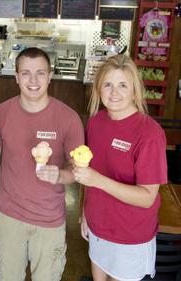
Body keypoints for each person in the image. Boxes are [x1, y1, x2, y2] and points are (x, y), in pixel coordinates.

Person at [0, 47, 84, 281]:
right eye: (26, 73)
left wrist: (60, 175)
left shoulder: (68, 118)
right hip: (9, 216)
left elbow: (77, 170)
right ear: (16, 77)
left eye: (40, 73)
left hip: (49, 219)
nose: (33, 80)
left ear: (50, 76)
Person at [73, 54, 167, 281]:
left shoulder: (149, 133)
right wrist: (85, 212)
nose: (114, 92)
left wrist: (98, 181)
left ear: (135, 90)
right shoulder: (96, 122)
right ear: (98, 89)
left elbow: (147, 197)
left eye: (123, 85)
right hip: (98, 227)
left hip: (130, 235)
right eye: (108, 85)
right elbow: (89, 174)